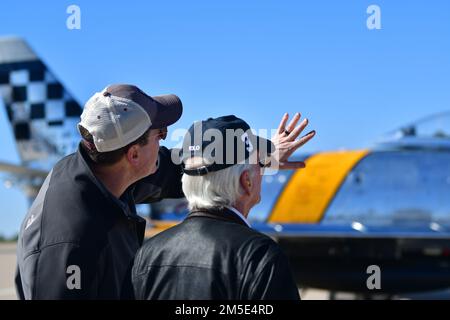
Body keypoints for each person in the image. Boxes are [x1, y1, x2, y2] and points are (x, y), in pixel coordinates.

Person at [15, 84, 184, 299]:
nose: (163, 140)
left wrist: (222, 154)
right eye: (161, 134)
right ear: (133, 155)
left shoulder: (104, 174)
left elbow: (168, 173)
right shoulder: (73, 242)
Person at [132, 115, 315, 299]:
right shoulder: (259, 257)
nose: (262, 170)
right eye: (258, 165)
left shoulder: (147, 254)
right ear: (247, 181)